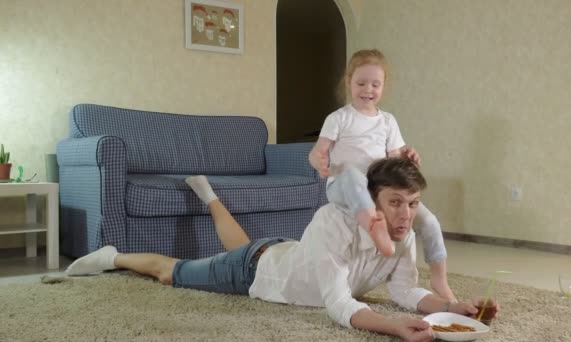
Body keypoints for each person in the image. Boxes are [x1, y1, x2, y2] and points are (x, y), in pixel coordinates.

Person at [65, 158, 481, 341]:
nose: (406, 214)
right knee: (172, 271)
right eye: (394, 202)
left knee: (244, 246)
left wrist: (449, 308)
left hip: (285, 253)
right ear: (370, 201)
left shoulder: (404, 231)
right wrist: (393, 328)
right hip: (254, 270)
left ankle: (208, 194)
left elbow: (406, 290)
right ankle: (113, 255)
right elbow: (337, 303)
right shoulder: (332, 222)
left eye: (412, 204)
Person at [308, 48, 456, 302]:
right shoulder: (339, 118)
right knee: (354, 175)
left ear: (384, 86)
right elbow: (317, 151)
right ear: (349, 83)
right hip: (344, 187)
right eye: (361, 83)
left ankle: (439, 279)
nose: (368, 90)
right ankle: (376, 230)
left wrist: (408, 157)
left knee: (430, 222)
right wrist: (319, 161)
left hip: (379, 190)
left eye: (375, 84)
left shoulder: (387, 121)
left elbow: (395, 161)